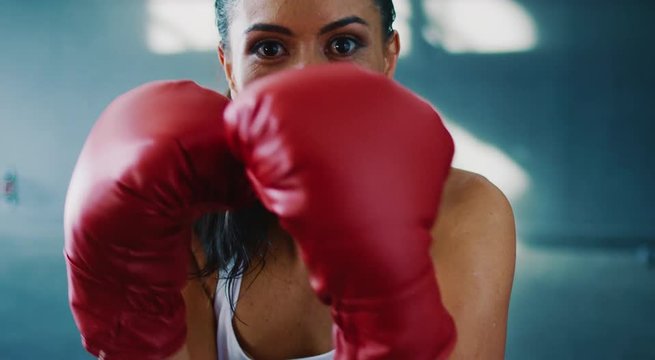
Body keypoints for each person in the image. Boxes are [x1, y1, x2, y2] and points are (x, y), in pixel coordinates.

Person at [64, 0, 516, 359]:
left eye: (342, 45)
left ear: (387, 57)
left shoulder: (466, 210)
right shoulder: (188, 215)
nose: (307, 81)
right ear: (229, 67)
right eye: (269, 48)